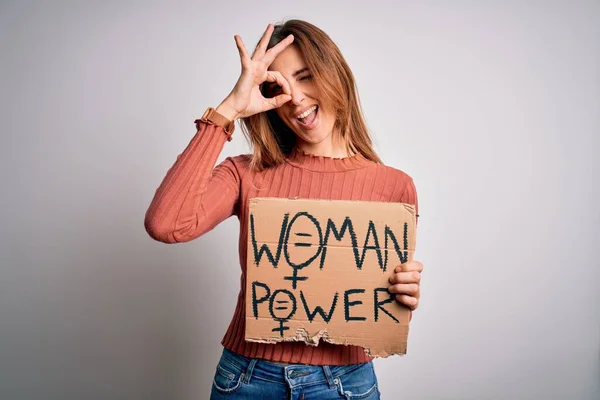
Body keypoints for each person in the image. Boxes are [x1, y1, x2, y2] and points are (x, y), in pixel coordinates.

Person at [144, 19, 423, 400]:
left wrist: (402, 293)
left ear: (335, 75)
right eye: (279, 87)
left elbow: (374, 304)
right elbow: (166, 224)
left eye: (306, 77)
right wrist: (229, 109)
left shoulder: (394, 186)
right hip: (247, 378)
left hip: (346, 382)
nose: (295, 99)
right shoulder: (246, 173)